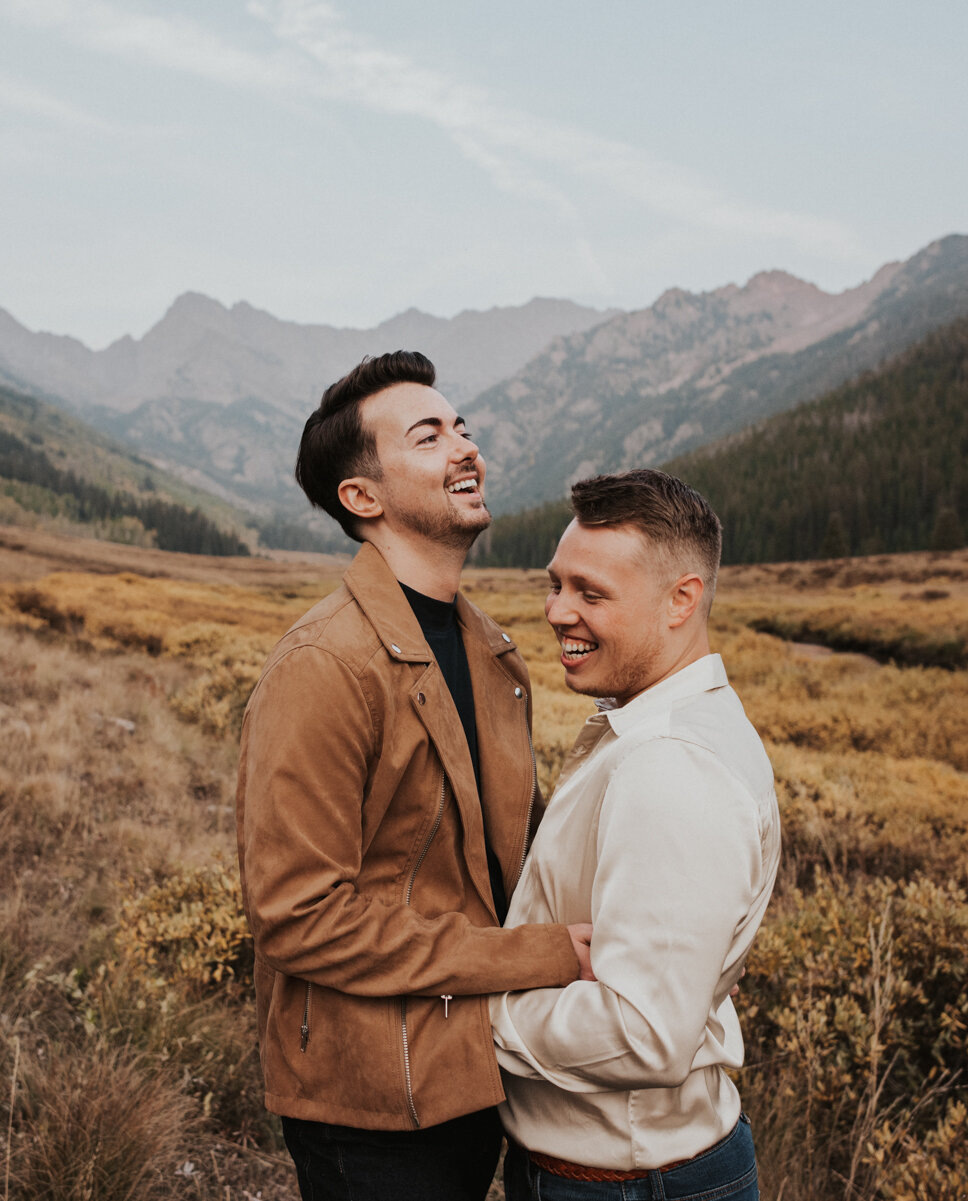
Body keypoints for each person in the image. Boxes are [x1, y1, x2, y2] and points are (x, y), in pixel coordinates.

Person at [235, 350, 595, 1201]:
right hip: (372, 1103)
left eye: (462, 427)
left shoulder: (496, 656)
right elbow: (298, 916)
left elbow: (511, 866)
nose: (464, 447)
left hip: (479, 1066)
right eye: (428, 436)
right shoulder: (323, 665)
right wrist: (532, 955)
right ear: (364, 497)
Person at [492, 468, 780, 1201]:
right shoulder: (658, 731)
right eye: (556, 584)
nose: (558, 611)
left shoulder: (671, 766)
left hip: (626, 1184)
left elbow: (643, 1027)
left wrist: (473, 1012)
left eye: (592, 593)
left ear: (682, 598)